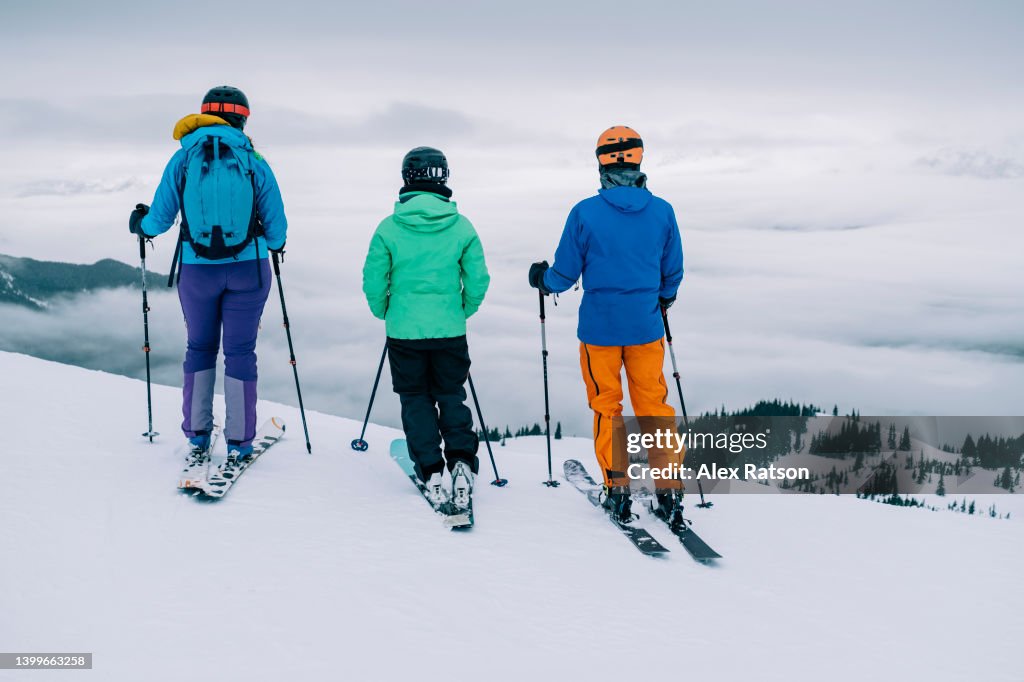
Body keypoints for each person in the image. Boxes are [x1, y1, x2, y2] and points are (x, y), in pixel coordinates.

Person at [528, 126, 684, 524]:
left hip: (599, 330)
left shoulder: (585, 212)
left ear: (600, 162)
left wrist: (541, 280)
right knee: (653, 404)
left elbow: (563, 275)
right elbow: (673, 273)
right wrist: (662, 299)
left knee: (606, 406)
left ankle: (618, 489)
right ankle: (669, 488)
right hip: (647, 328)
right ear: (639, 159)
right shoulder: (662, 211)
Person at [129, 85, 287, 466]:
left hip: (197, 272)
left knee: (199, 348)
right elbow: (278, 229)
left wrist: (140, 224)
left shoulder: (183, 158)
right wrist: (261, 240)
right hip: (248, 268)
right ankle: (239, 442)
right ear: (243, 118)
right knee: (240, 352)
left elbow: (159, 220)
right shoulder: (253, 158)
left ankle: (198, 436)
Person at [362, 147, 490, 511]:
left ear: (406, 179)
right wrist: (460, 310)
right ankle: (462, 462)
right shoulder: (462, 226)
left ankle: (431, 470)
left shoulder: (389, 227)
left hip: (404, 330)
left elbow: (374, 280)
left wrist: (385, 311)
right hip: (449, 328)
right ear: (443, 179)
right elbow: (478, 280)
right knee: (451, 394)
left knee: (415, 398)